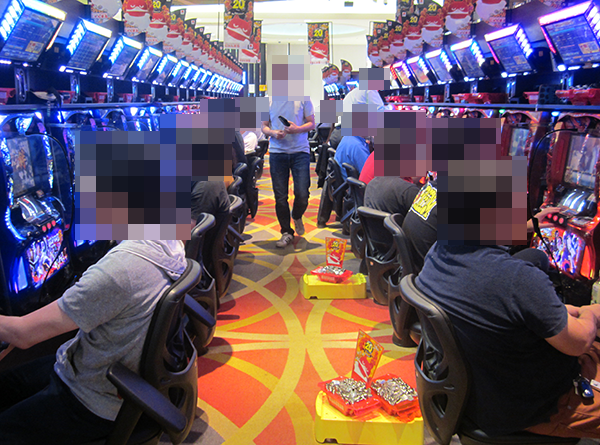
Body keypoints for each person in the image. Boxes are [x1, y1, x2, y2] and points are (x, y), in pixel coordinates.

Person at [0, 240, 188, 444]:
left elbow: (23, 335)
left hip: (93, 398)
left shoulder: (119, 270)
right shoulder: (168, 245)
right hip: (102, 370)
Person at [261, 55, 315, 248]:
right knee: (280, 196)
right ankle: (286, 231)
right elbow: (263, 127)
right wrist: (273, 133)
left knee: (302, 193)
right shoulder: (267, 100)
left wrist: (297, 129)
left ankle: (297, 215)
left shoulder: (303, 97)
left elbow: (312, 123)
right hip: (277, 152)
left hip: (300, 151)